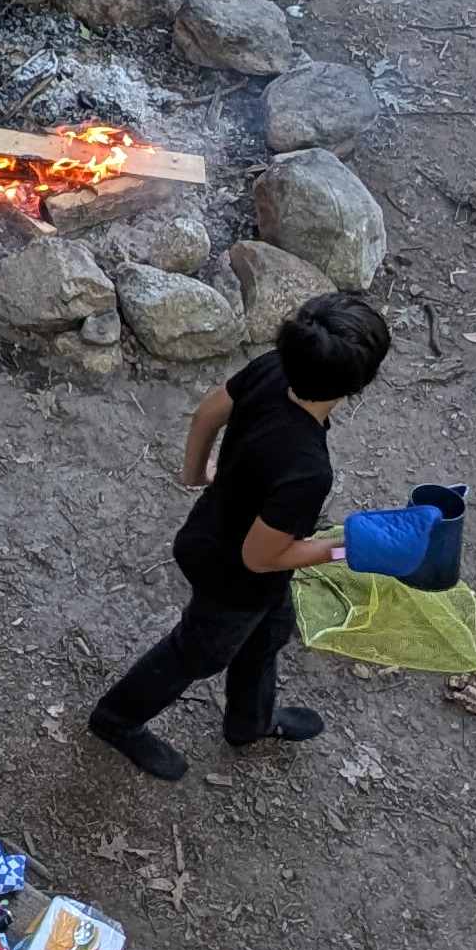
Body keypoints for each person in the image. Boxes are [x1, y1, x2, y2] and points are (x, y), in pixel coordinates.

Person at [87, 290, 394, 780]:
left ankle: (249, 723)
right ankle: (116, 719)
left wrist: (194, 472)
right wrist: (351, 547)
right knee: (198, 652)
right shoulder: (307, 469)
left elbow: (208, 411)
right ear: (358, 384)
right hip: (232, 573)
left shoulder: (275, 368)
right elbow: (262, 557)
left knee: (270, 632)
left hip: (214, 530)